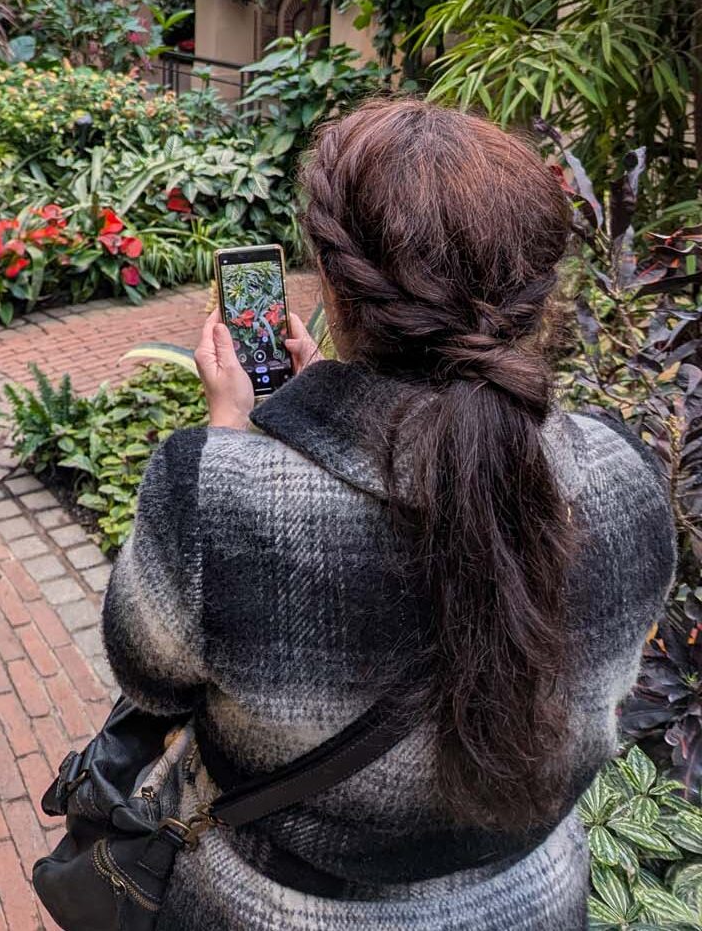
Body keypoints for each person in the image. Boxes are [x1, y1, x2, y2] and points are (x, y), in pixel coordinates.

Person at [101, 99, 674, 931]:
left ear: (334, 280)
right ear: (538, 290)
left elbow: (146, 674)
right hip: (527, 903)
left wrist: (231, 445)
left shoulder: (213, 493)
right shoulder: (624, 476)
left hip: (272, 910)